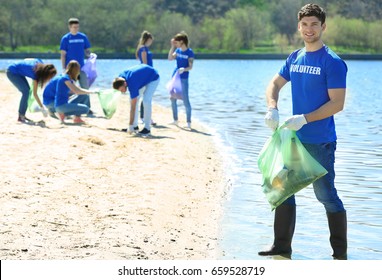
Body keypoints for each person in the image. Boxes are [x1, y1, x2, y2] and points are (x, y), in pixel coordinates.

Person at [260, 3, 348, 260]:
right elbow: (274, 84)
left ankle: (340, 256)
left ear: (323, 27)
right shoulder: (295, 57)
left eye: (314, 24)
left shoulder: (332, 62)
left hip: (320, 142)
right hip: (294, 140)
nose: (309, 29)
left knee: (326, 195)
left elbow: (337, 104)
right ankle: (281, 248)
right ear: (299, 27)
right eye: (305, 24)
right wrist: (272, 108)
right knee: (283, 188)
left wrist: (305, 119)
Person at [112, 64, 160, 135]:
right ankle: (135, 126)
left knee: (146, 101)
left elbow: (133, 108)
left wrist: (129, 125)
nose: (122, 92)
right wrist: (131, 125)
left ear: (125, 84)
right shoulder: (120, 78)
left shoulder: (132, 83)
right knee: (133, 100)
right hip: (142, 78)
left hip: (153, 77)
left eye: (122, 89)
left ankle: (147, 128)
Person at [6, 58, 57, 123]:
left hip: (15, 69)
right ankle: (21, 116)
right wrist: (42, 108)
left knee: (27, 91)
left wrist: (24, 66)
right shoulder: (36, 74)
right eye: (50, 77)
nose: (49, 79)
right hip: (12, 72)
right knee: (26, 92)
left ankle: (22, 115)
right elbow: (34, 94)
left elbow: (27, 59)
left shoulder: (39, 62)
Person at [60, 17, 93, 113]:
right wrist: (63, 68)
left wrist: (90, 55)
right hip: (69, 68)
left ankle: (87, 108)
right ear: (69, 27)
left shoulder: (83, 37)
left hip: (81, 67)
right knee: (69, 88)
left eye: (77, 27)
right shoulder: (65, 38)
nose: (76, 29)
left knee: (85, 87)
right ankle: (67, 106)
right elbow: (63, 54)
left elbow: (87, 50)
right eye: (74, 27)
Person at [168, 32, 194, 129]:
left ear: (182, 41)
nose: (176, 44)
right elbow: (170, 58)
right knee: (172, 98)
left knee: (185, 100)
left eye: (177, 42)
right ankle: (175, 120)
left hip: (184, 78)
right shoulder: (178, 50)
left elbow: (190, 67)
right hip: (175, 77)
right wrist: (172, 47)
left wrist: (184, 69)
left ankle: (188, 123)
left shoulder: (189, 52)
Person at [135, 30, 156, 125]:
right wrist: (148, 74)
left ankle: (145, 116)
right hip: (146, 73)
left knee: (146, 96)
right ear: (148, 39)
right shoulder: (143, 49)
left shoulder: (143, 48)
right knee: (146, 96)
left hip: (148, 73)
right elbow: (144, 63)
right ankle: (144, 117)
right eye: (151, 40)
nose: (151, 42)